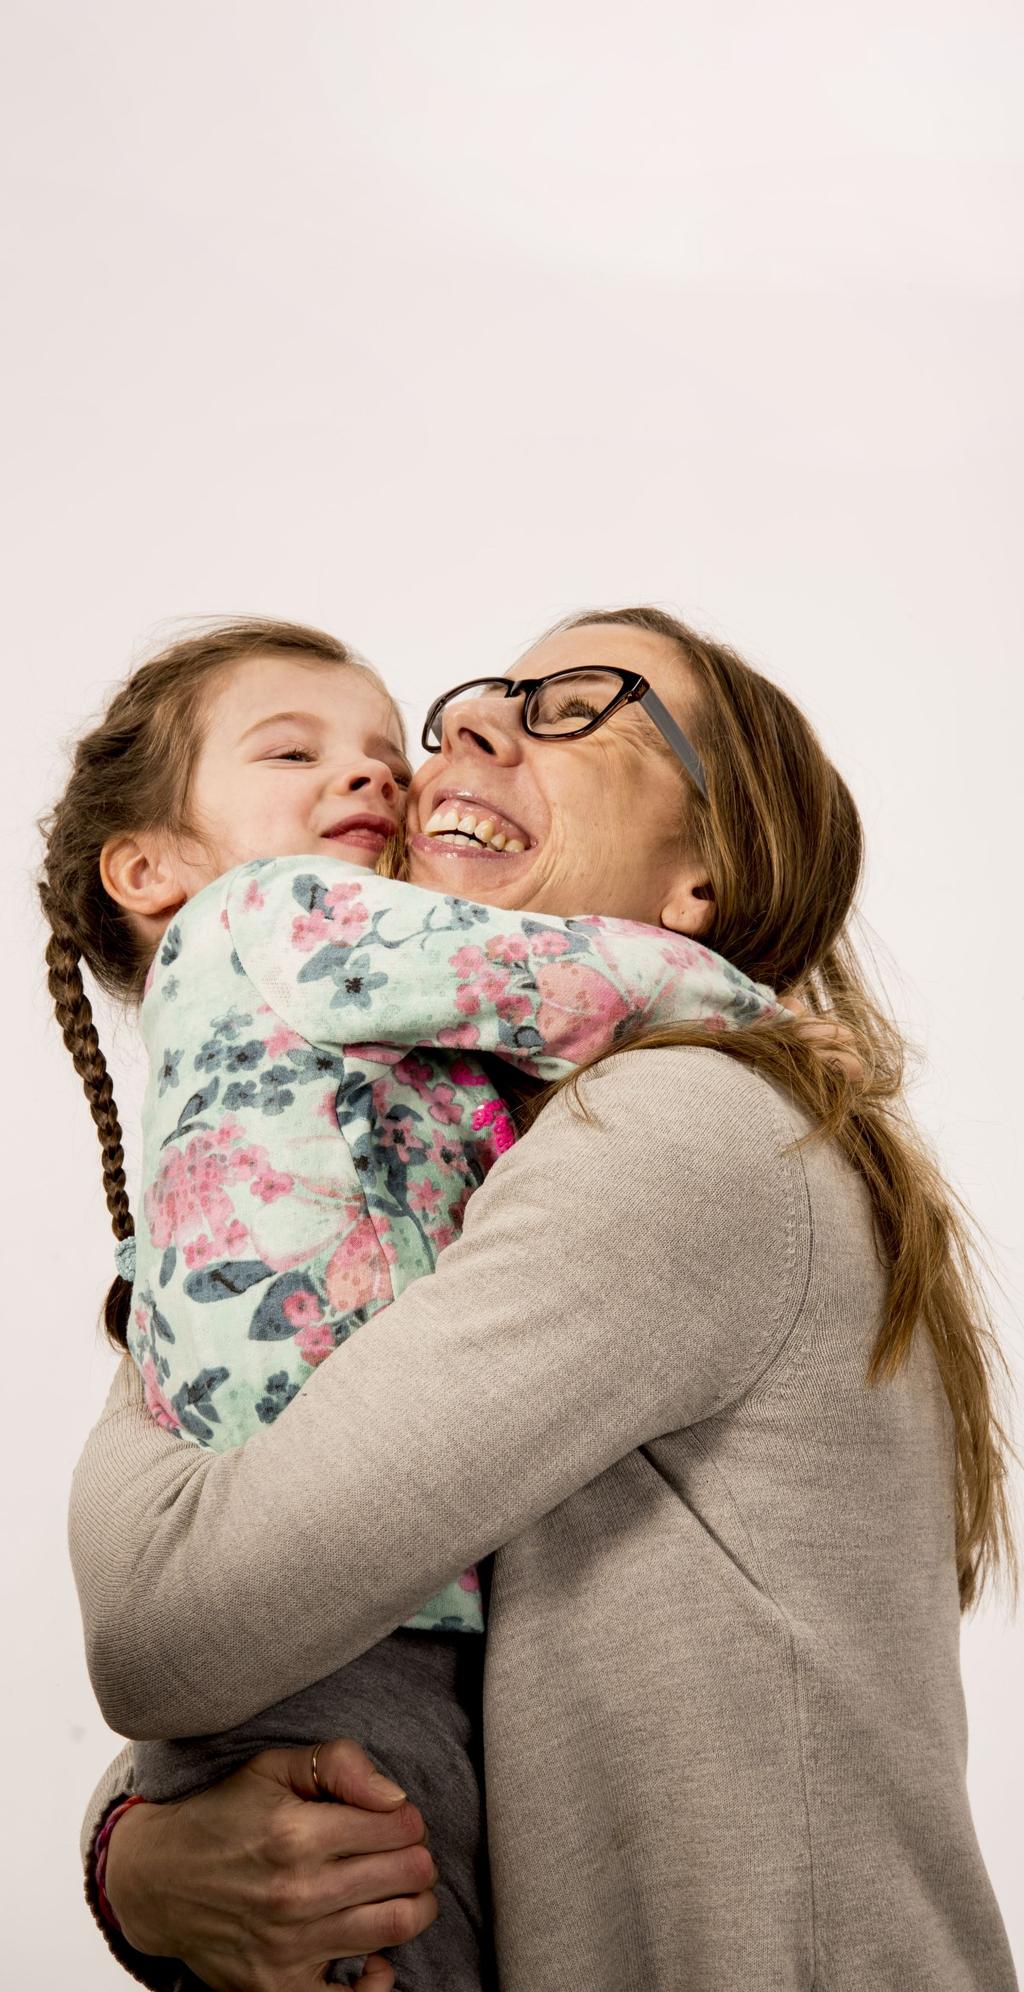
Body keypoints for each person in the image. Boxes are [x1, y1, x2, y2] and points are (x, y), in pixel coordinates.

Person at [67, 608, 1017, 1991]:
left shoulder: (683, 1131)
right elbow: (343, 1637)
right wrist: (149, 1863)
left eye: (580, 704)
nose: (472, 731)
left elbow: (176, 1622)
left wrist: (129, 1849)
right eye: (477, 708)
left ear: (708, 876)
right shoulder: (469, 1164)